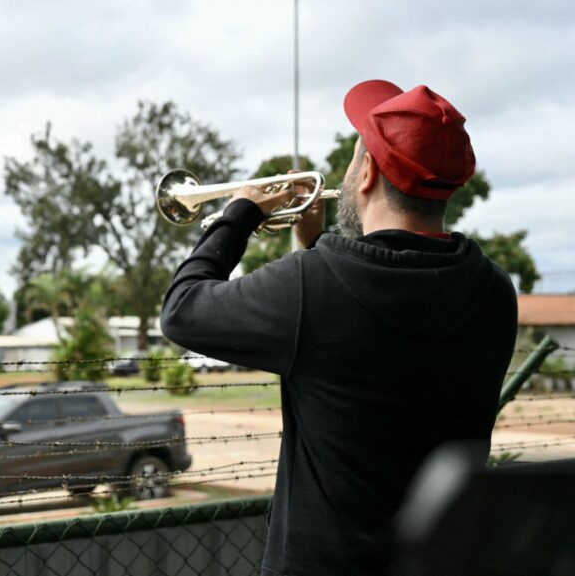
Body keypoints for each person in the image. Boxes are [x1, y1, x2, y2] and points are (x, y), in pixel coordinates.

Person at [159, 80, 517, 576]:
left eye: (353, 159)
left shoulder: (311, 287)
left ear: (366, 172)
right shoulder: (494, 291)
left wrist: (238, 214)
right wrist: (313, 249)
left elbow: (182, 308)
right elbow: (362, 327)